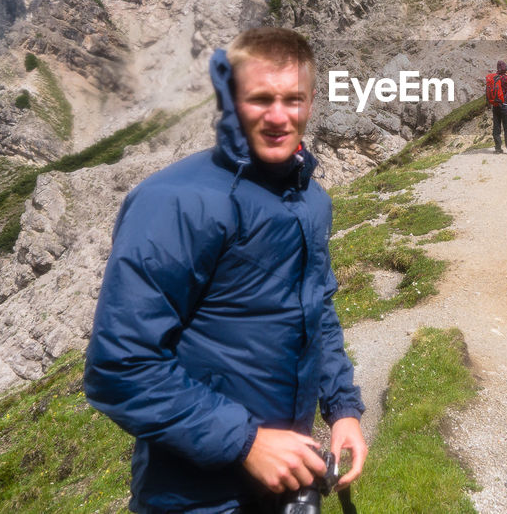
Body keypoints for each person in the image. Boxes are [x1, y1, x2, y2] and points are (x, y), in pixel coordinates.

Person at [85, 27, 367, 514]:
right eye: (260, 99)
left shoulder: (310, 200)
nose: (279, 116)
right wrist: (246, 443)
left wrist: (342, 409)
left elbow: (316, 311)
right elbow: (118, 365)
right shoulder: (174, 201)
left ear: (312, 102)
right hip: (194, 498)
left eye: (293, 99)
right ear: (232, 99)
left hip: (283, 481)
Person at [487, 59, 507, 154]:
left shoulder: (493, 78)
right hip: (505, 105)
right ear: (505, 68)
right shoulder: (506, 78)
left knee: (496, 127)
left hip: (495, 105)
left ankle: (497, 149)